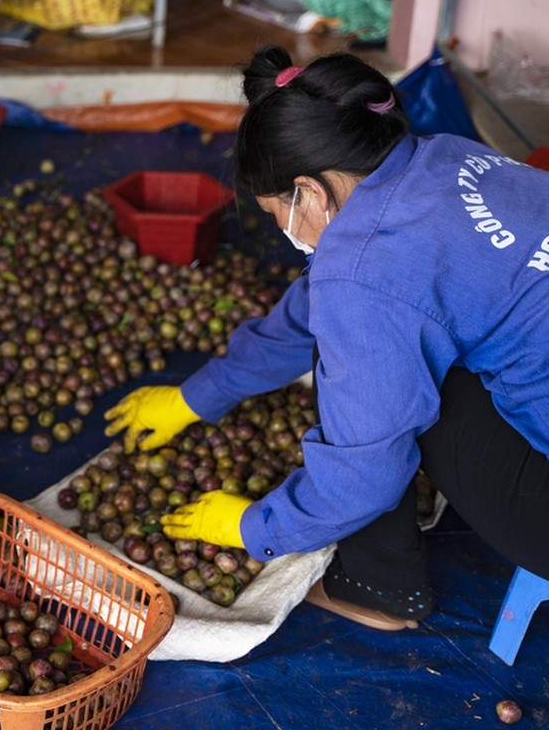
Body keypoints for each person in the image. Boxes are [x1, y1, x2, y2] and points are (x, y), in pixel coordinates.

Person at [105, 45, 549, 631]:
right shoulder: (445, 157)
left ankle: (377, 591)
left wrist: (253, 527)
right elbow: (329, 299)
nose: (286, 232)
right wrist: (200, 395)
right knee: (378, 343)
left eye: (274, 215)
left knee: (375, 395)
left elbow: (363, 476)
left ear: (309, 192)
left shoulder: (365, 277)